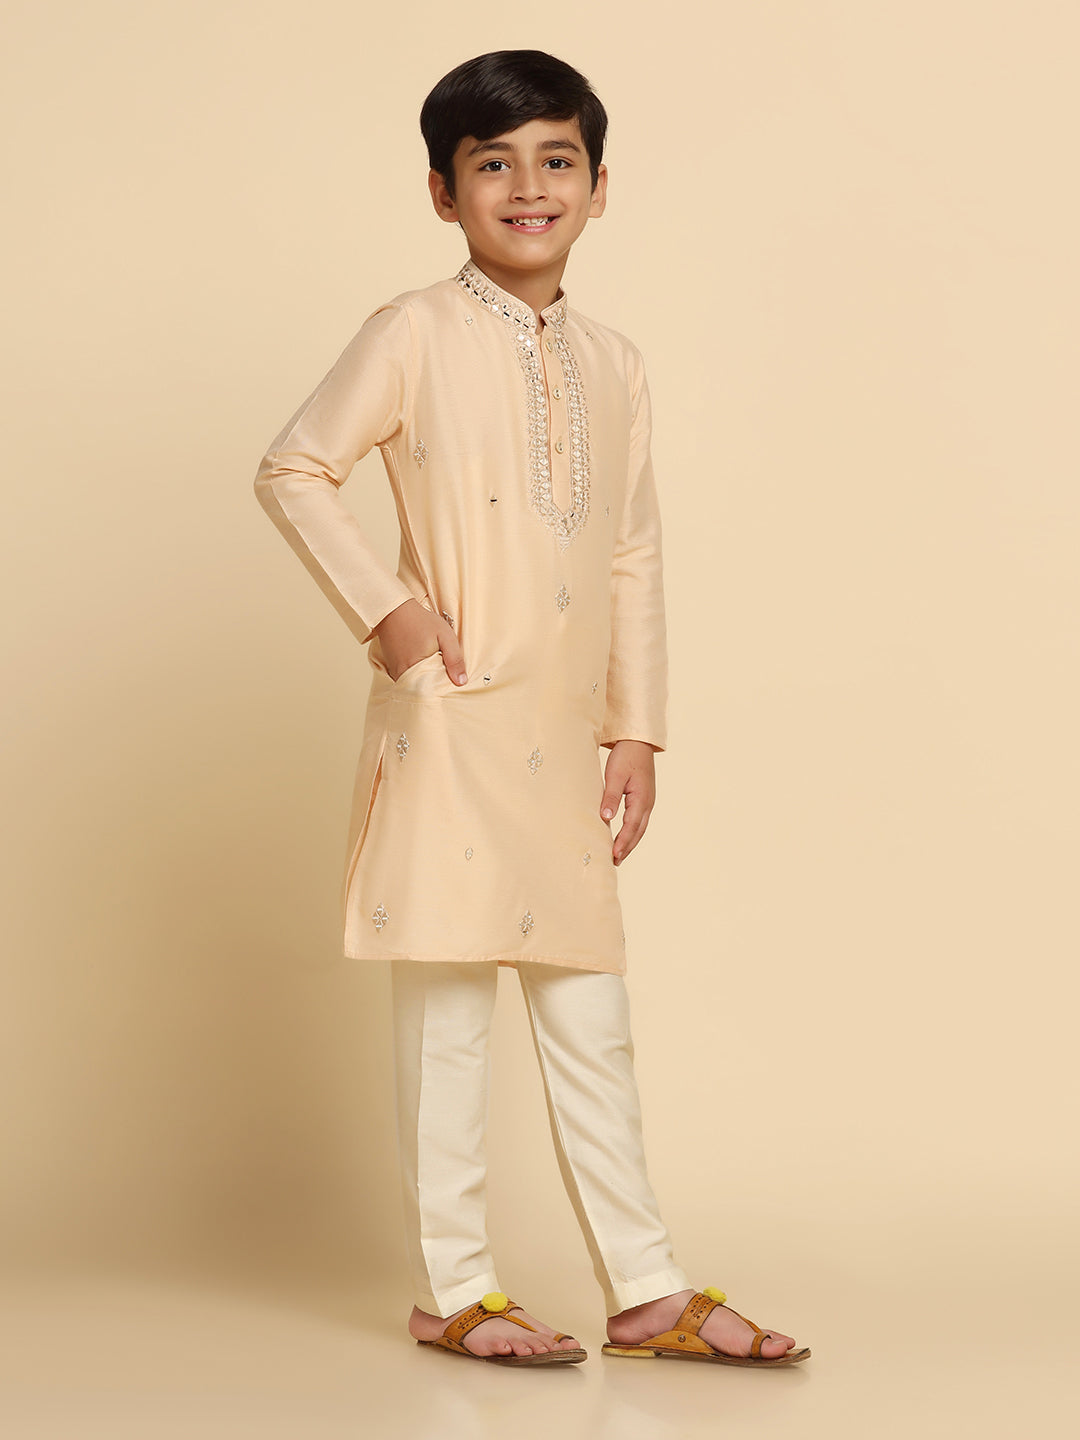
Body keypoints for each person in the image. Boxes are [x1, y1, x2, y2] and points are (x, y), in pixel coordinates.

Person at [253, 48, 810, 1370]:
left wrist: (636, 728)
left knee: (590, 1011)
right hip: (452, 714)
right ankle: (455, 1288)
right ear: (442, 192)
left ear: (600, 186)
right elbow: (295, 466)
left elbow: (633, 551)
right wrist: (391, 614)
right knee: (449, 1008)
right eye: (492, 164)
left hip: (563, 735)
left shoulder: (615, 361)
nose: (528, 187)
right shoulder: (412, 330)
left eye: (556, 160)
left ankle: (648, 1291)